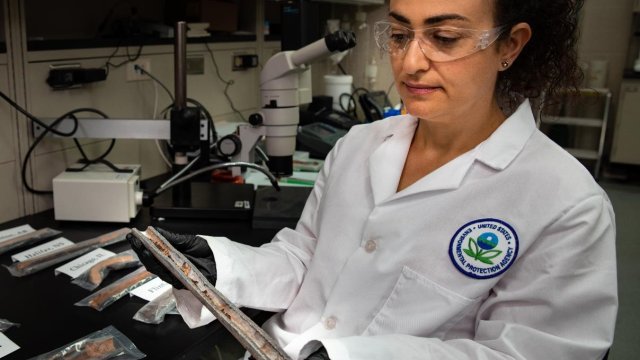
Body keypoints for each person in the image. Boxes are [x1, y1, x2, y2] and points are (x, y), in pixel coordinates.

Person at [129, 0, 618, 358]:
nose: (409, 62)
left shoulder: (565, 203)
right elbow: (307, 259)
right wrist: (219, 266)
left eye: (444, 38)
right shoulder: (360, 145)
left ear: (510, 45)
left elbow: (528, 354)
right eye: (401, 34)